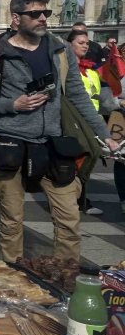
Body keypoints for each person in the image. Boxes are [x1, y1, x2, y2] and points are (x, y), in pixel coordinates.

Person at [0, 0, 117, 262]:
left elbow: (78, 96)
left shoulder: (60, 50)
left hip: (54, 143)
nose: (42, 18)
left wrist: (105, 135)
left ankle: (65, 278)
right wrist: (13, 105)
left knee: (69, 220)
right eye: (34, 14)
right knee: (12, 222)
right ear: (16, 18)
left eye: (45, 13)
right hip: (9, 142)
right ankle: (15, 282)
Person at [67, 29, 105, 217]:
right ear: (69, 45)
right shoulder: (65, 69)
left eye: (87, 43)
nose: (85, 45)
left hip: (90, 121)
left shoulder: (91, 71)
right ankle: (75, 200)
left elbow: (100, 97)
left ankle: (79, 198)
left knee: (87, 160)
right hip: (73, 122)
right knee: (75, 162)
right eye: (80, 42)